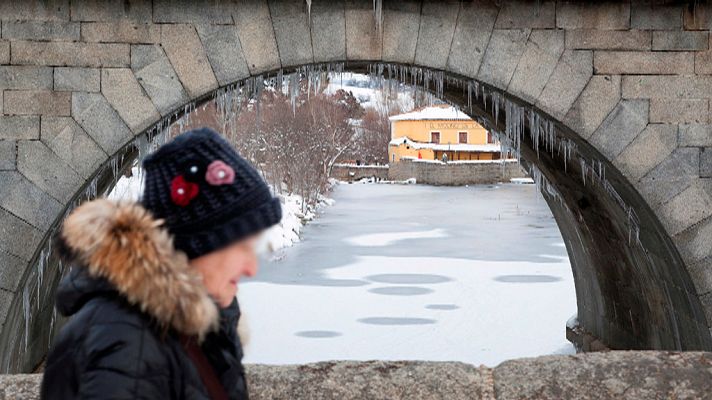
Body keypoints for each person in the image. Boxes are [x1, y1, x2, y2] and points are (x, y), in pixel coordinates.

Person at [40, 127, 282, 399]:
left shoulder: (189, 325)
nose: (251, 267)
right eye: (241, 246)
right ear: (198, 244)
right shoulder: (125, 342)